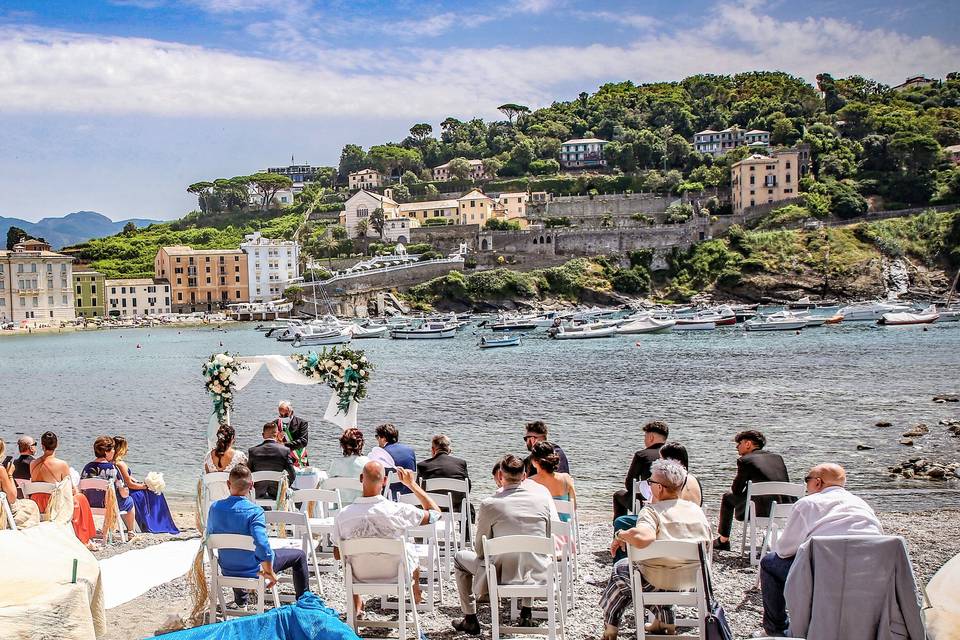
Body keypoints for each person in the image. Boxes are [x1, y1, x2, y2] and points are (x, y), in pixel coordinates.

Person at [758, 463, 882, 637]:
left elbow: (784, 551)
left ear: (817, 482)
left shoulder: (808, 503)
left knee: (769, 563)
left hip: (821, 577)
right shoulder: (863, 505)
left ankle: (777, 630)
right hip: (866, 577)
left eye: (806, 480)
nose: (807, 485)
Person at [601, 459, 711, 639]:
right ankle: (664, 621)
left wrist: (619, 535)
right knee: (656, 568)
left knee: (621, 569)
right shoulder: (696, 510)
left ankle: (611, 626)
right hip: (694, 582)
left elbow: (644, 537)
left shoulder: (652, 511)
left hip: (659, 582)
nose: (649, 485)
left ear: (659, 488)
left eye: (650, 482)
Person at [452, 454, 555, 635]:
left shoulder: (490, 504)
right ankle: (526, 611)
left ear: (500, 476)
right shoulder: (543, 502)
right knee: (528, 553)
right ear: (524, 476)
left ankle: (470, 618)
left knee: (460, 558)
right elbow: (546, 540)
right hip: (537, 574)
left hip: (500, 577)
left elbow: (480, 550)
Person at [333, 461, 440, 615]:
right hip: (395, 575)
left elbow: (337, 555)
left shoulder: (343, 515)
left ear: (361, 478)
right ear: (384, 481)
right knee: (408, 547)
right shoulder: (397, 510)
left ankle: (356, 606)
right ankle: (416, 594)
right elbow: (436, 514)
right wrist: (412, 485)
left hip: (360, 576)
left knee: (350, 559)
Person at [206, 464, 310, 609]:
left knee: (235, 553)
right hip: (254, 570)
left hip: (227, 568)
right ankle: (305, 604)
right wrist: (269, 571)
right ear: (252, 486)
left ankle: (241, 602)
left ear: (228, 484)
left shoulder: (215, 508)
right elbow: (261, 544)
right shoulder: (255, 511)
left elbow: (210, 536)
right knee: (299, 556)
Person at [714, 430, 792, 551]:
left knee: (727, 497)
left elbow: (736, 490)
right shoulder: (778, 458)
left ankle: (723, 540)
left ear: (748, 444)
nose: (737, 447)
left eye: (739, 443)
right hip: (784, 508)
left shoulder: (745, 461)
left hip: (760, 510)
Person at [29, 431, 97, 547]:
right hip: (53, 505)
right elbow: (70, 489)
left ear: (42, 446)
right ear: (57, 445)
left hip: (37, 502)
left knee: (78, 498)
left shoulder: (33, 463)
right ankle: (84, 539)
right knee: (80, 498)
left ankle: (84, 538)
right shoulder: (62, 464)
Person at [113, 436, 179, 534]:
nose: (127, 450)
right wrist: (145, 487)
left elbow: (129, 479)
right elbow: (129, 484)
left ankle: (155, 522)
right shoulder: (120, 464)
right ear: (121, 448)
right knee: (156, 494)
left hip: (121, 490)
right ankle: (156, 524)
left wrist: (142, 483)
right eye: (126, 447)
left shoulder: (113, 462)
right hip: (127, 492)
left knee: (154, 491)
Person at [81, 435, 138, 534]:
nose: (114, 451)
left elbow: (81, 489)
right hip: (109, 505)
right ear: (106, 452)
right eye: (112, 449)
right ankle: (130, 531)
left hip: (90, 504)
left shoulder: (87, 467)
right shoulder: (112, 468)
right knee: (129, 500)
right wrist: (127, 493)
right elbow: (123, 492)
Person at [613, 421, 669, 519]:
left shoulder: (642, 455)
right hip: (672, 503)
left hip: (647, 503)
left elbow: (630, 485)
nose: (645, 440)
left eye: (645, 436)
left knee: (618, 495)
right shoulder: (675, 454)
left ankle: (620, 531)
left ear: (651, 437)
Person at [417, 434, 471, 511]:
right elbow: (467, 488)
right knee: (469, 506)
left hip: (432, 507)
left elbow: (418, 490)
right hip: (455, 507)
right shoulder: (461, 463)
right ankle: (467, 523)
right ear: (449, 450)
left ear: (433, 449)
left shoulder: (422, 465)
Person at [528, 441, 577, 521]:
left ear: (534, 461)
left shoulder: (529, 483)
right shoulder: (566, 479)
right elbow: (574, 507)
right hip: (564, 532)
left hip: (540, 531)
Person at [248, 422, 297, 501]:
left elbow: (249, 473)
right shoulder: (284, 451)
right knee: (299, 495)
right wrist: (284, 487)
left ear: (263, 435)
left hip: (258, 493)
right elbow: (292, 475)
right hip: (278, 494)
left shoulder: (253, 451)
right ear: (277, 434)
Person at [0, 438, 40, 529]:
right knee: (32, 505)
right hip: (4, 512)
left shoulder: (15, 463)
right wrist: (9, 474)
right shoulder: (1, 470)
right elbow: (12, 498)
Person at [326, 428, 371, 505]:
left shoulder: (336, 463)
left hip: (340, 508)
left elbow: (328, 488)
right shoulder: (368, 463)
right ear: (361, 444)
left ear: (343, 445)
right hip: (362, 507)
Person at [376, 423, 416, 496]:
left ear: (383, 438)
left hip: (391, 497)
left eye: (377, 437)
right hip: (410, 495)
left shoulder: (381, 453)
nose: (377, 440)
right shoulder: (410, 451)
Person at [276, 400, 309, 467]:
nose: (283, 417)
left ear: (291, 412)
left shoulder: (301, 423)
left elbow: (303, 441)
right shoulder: (275, 424)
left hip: (298, 456)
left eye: (286, 415)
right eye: (281, 415)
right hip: (282, 458)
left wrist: (284, 445)